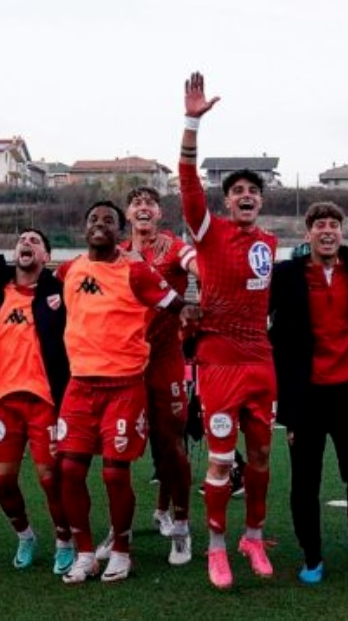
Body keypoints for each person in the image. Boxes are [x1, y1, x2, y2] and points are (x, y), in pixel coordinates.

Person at [53, 201, 196, 584]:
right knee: (68, 468)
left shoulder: (141, 267)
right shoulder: (69, 269)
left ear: (121, 231)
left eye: (108, 221)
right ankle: (85, 554)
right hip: (80, 384)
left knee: (148, 457)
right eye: (93, 219)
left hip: (131, 378)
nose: (100, 224)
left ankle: (165, 531)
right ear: (83, 228)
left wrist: (175, 329)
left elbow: (179, 305)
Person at [177, 72, 278, 589]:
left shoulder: (270, 242)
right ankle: (216, 547)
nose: (245, 196)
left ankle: (253, 537)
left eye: (252, 191)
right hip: (218, 362)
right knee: (221, 461)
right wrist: (192, 122)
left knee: (260, 457)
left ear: (260, 201)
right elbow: (188, 182)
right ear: (225, 200)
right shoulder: (208, 231)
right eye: (237, 190)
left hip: (261, 359)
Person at [270, 202, 348, 584]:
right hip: (306, 397)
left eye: (334, 225)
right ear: (307, 233)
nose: (328, 231)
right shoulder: (287, 273)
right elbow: (253, 310)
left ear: (343, 233)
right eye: (320, 224)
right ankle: (312, 555)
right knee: (304, 482)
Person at [0, 228, 75, 574]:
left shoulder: (60, 292)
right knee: (3, 481)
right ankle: (24, 534)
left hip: (45, 402)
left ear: (46, 257)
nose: (26, 243)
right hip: (1, 403)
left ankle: (64, 539)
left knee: (51, 478)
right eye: (22, 240)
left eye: (35, 241)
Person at [108, 185, 199, 565]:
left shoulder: (175, 247)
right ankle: (119, 530)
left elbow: (197, 263)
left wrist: (202, 278)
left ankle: (179, 524)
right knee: (118, 449)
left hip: (165, 360)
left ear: (159, 214)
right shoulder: (113, 253)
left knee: (171, 445)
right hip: (123, 362)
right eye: (136, 204)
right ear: (127, 215)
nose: (143, 208)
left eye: (150, 203)